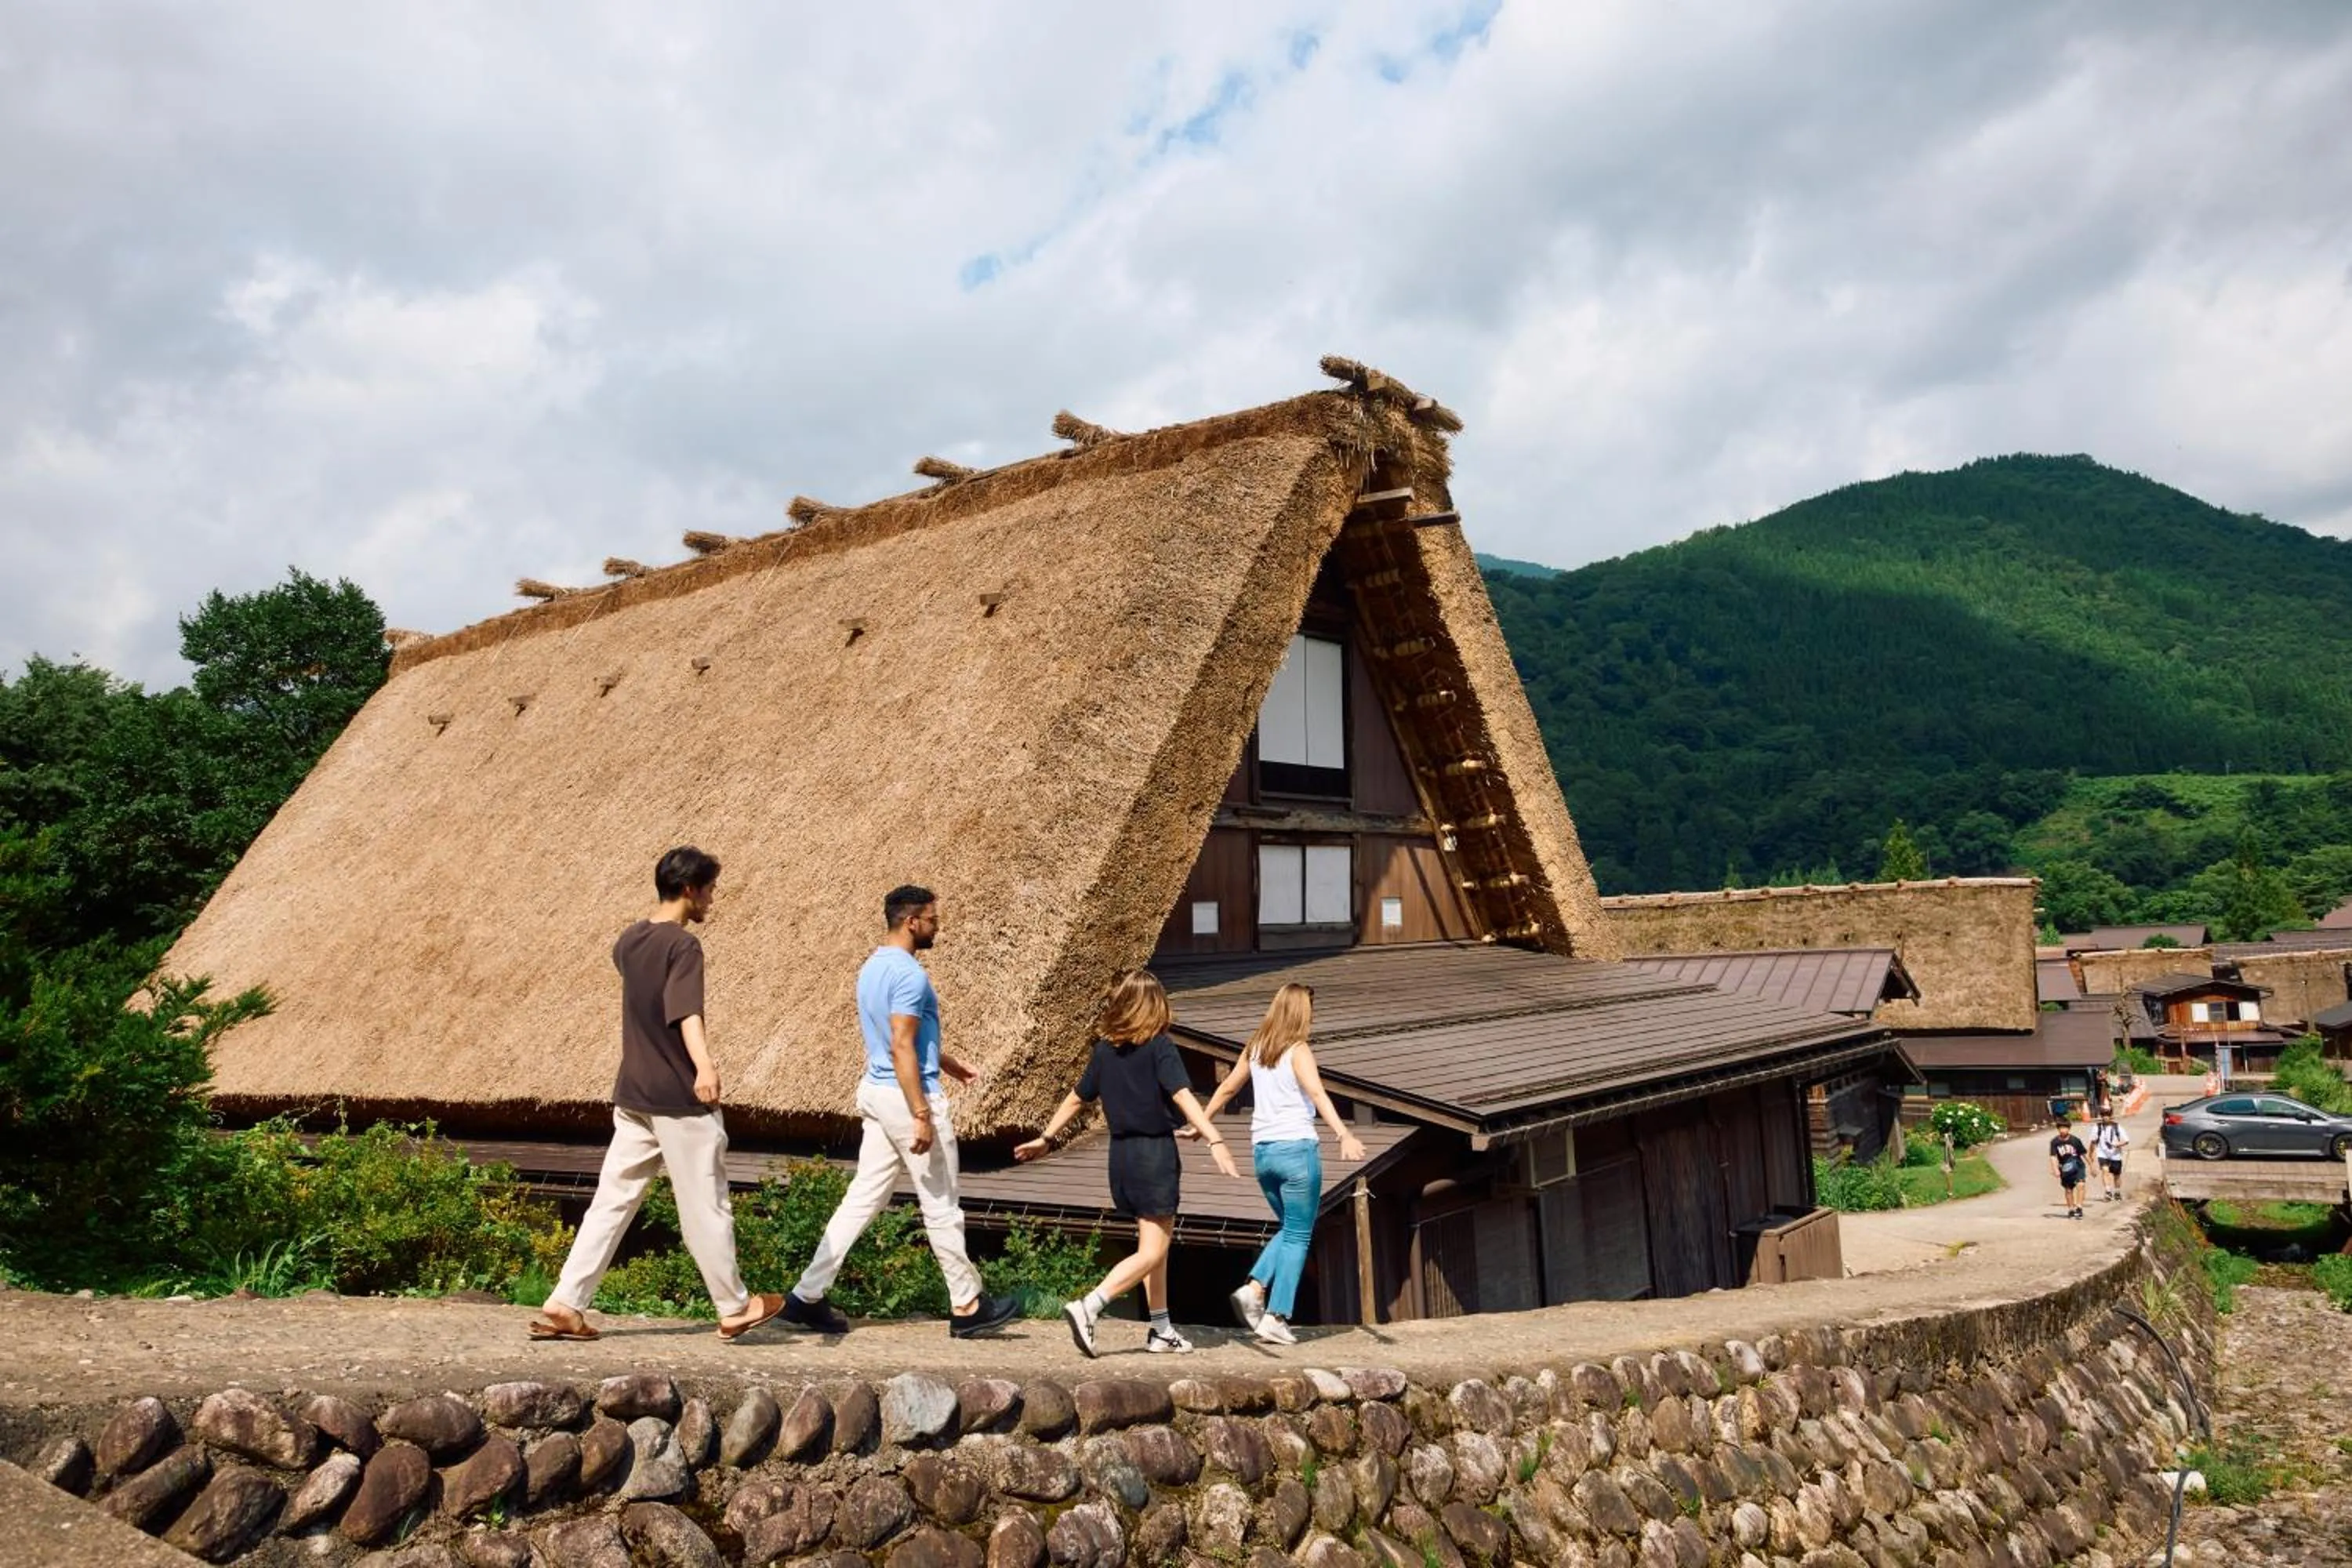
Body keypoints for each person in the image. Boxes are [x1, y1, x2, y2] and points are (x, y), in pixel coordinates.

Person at [530, 847, 785, 1342]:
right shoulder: (682, 947)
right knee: (705, 1205)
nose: (712, 899)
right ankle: (734, 1307)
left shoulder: (628, 941)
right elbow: (684, 1012)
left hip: (634, 1093)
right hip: (677, 1095)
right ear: (689, 889)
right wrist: (705, 1066)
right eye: (709, 889)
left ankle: (565, 1303)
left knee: (612, 1201)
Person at [784, 885, 1022, 1339]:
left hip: (876, 1089)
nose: (938, 926)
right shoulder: (911, 977)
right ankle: (968, 1305)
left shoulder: (872, 967)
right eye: (933, 918)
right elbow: (900, 1044)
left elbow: (899, 1036)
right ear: (912, 921)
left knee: (863, 1198)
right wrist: (920, 1113)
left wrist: (948, 1062)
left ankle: (806, 1296)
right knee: (942, 1203)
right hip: (905, 1096)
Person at [1016, 969, 1238, 1356]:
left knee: (1153, 1247)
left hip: (1121, 1157)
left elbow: (1075, 1098)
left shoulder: (1104, 1051)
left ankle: (1161, 1329)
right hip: (1153, 1155)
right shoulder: (1160, 1047)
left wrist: (1047, 1138)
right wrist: (1214, 1137)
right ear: (1154, 1006)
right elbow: (1184, 1095)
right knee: (1153, 1250)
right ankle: (1090, 1305)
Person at [1195, 982, 1367, 1346]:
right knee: (1300, 1234)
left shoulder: (1256, 1047)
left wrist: (1202, 1124)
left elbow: (1226, 1090)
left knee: (1290, 1229)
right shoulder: (1298, 1049)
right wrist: (1343, 1135)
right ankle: (1275, 1314)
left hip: (1263, 1153)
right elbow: (1318, 1093)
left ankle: (1254, 1288)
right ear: (1301, 1013)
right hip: (1297, 1151)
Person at [2049, 1120, 2091, 1220]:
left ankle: (2079, 1207)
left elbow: (2083, 1153)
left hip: (2078, 1165)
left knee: (2081, 1185)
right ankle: (2071, 1209)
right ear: (2058, 1129)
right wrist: (2055, 1169)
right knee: (2069, 1190)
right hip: (2065, 1168)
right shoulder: (2055, 1142)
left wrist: (2091, 1165)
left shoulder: (2075, 1140)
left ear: (2069, 1129)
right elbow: (2053, 1156)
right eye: (2061, 1128)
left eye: (2065, 1128)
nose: (2063, 1130)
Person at [2092, 1110, 2129, 1201]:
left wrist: (2118, 1144)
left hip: (2115, 1154)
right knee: (2105, 1171)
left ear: (2111, 1116)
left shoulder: (2117, 1127)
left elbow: (2126, 1140)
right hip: (2102, 1153)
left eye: (2107, 1115)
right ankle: (2108, 1192)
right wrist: (2091, 1155)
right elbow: (2093, 1141)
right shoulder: (2097, 1127)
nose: (2105, 1117)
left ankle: (2117, 1191)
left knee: (2117, 1175)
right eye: (2103, 1115)